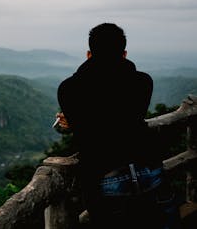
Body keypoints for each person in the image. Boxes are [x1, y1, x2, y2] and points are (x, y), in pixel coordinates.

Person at [55, 23, 181, 228]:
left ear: (89, 54)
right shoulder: (143, 82)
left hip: (105, 178)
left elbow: (94, 125)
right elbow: (123, 115)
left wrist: (74, 120)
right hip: (150, 170)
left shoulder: (68, 89)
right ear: (124, 53)